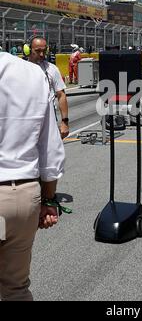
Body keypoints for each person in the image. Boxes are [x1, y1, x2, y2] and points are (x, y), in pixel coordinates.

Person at [0, 53, 65, 301]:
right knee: (16, 289)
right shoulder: (32, 73)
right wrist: (49, 200)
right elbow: (50, 148)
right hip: (21, 196)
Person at [26, 37, 70, 140]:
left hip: (48, 120)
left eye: (44, 51)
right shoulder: (20, 68)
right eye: (37, 51)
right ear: (28, 50)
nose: (41, 54)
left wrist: (65, 122)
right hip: (27, 120)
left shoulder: (52, 69)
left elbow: (61, 94)